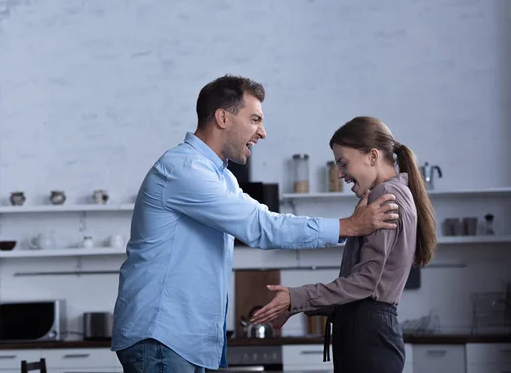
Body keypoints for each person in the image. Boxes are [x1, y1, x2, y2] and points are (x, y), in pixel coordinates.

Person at [111, 77, 400, 372]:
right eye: (254, 119)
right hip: (163, 338)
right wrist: (348, 227)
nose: (262, 132)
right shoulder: (184, 170)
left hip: (191, 342)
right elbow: (261, 226)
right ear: (223, 117)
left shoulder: (221, 177)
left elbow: (264, 220)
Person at [251, 116, 438, 373]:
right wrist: (295, 304)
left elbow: (365, 283)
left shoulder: (384, 195)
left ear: (372, 156)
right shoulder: (397, 193)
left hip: (367, 336)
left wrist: (297, 296)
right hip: (369, 333)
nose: (339, 174)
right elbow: (367, 288)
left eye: (343, 163)